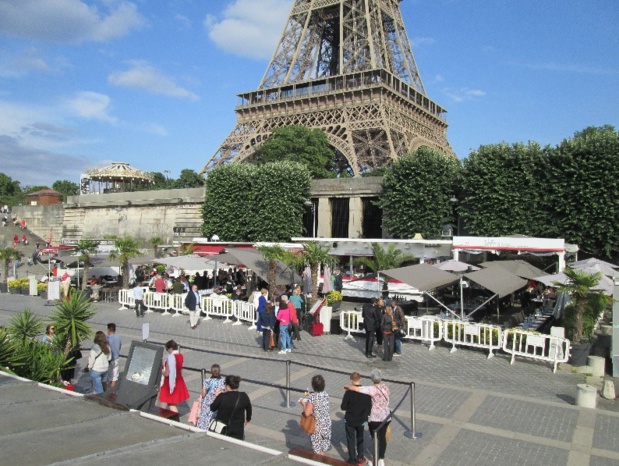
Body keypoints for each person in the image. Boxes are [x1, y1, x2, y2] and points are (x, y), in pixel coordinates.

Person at [344, 369, 391, 466]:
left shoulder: (371, 389)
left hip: (375, 418)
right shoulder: (386, 388)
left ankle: (375, 461)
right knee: (382, 438)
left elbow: (358, 389)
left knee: (375, 438)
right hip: (386, 417)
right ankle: (381, 459)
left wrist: (349, 386)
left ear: (372, 379)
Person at [341, 372, 372, 465]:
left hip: (350, 420)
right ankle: (360, 457)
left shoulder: (348, 393)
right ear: (360, 378)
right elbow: (369, 406)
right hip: (361, 420)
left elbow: (343, 407)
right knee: (360, 437)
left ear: (351, 380)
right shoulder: (365, 392)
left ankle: (352, 458)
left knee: (350, 439)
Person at [210, 375, 252, 440]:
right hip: (238, 430)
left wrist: (216, 396)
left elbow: (212, 408)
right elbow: (249, 410)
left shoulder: (221, 396)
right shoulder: (244, 396)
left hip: (222, 429)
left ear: (228, 386)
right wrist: (247, 420)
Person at [300, 374, 332, 455]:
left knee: (317, 449)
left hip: (317, 426)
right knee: (323, 447)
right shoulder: (326, 394)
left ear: (313, 385)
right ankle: (322, 456)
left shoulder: (313, 397)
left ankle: (319, 460)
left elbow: (307, 413)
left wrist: (303, 403)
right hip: (326, 424)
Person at [159, 340, 190, 413]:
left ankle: (173, 418)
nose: (167, 351)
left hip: (169, 383)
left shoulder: (171, 358)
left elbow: (167, 373)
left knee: (168, 403)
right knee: (170, 403)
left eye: (167, 349)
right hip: (178, 381)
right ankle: (167, 416)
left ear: (170, 348)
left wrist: (161, 371)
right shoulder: (180, 356)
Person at [197, 364, 226, 430]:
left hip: (206, 403)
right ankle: (211, 429)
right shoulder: (223, 381)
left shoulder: (207, 381)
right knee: (213, 418)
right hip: (216, 402)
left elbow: (203, 394)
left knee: (204, 417)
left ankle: (201, 428)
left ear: (211, 372)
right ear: (219, 371)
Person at [106, 323, 122, 390]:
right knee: (114, 376)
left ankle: (108, 389)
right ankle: (113, 389)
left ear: (109, 330)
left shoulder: (107, 338)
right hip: (116, 358)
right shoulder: (118, 337)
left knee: (109, 374)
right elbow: (120, 346)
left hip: (109, 359)